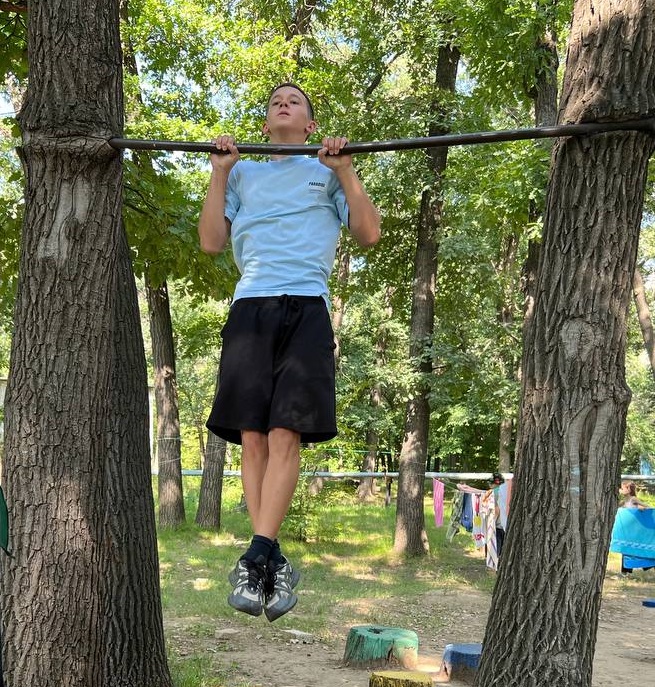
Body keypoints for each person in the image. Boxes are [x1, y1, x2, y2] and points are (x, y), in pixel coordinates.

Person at [198, 83, 381, 621]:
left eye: (295, 101)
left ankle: (256, 556)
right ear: (265, 125)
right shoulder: (244, 174)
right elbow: (211, 242)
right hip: (251, 306)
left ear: (309, 126)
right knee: (252, 436)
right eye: (275, 100)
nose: (284, 103)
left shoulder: (327, 171)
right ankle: (268, 558)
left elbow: (368, 233)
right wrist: (219, 172)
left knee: (284, 432)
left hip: (306, 305)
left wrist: (346, 170)